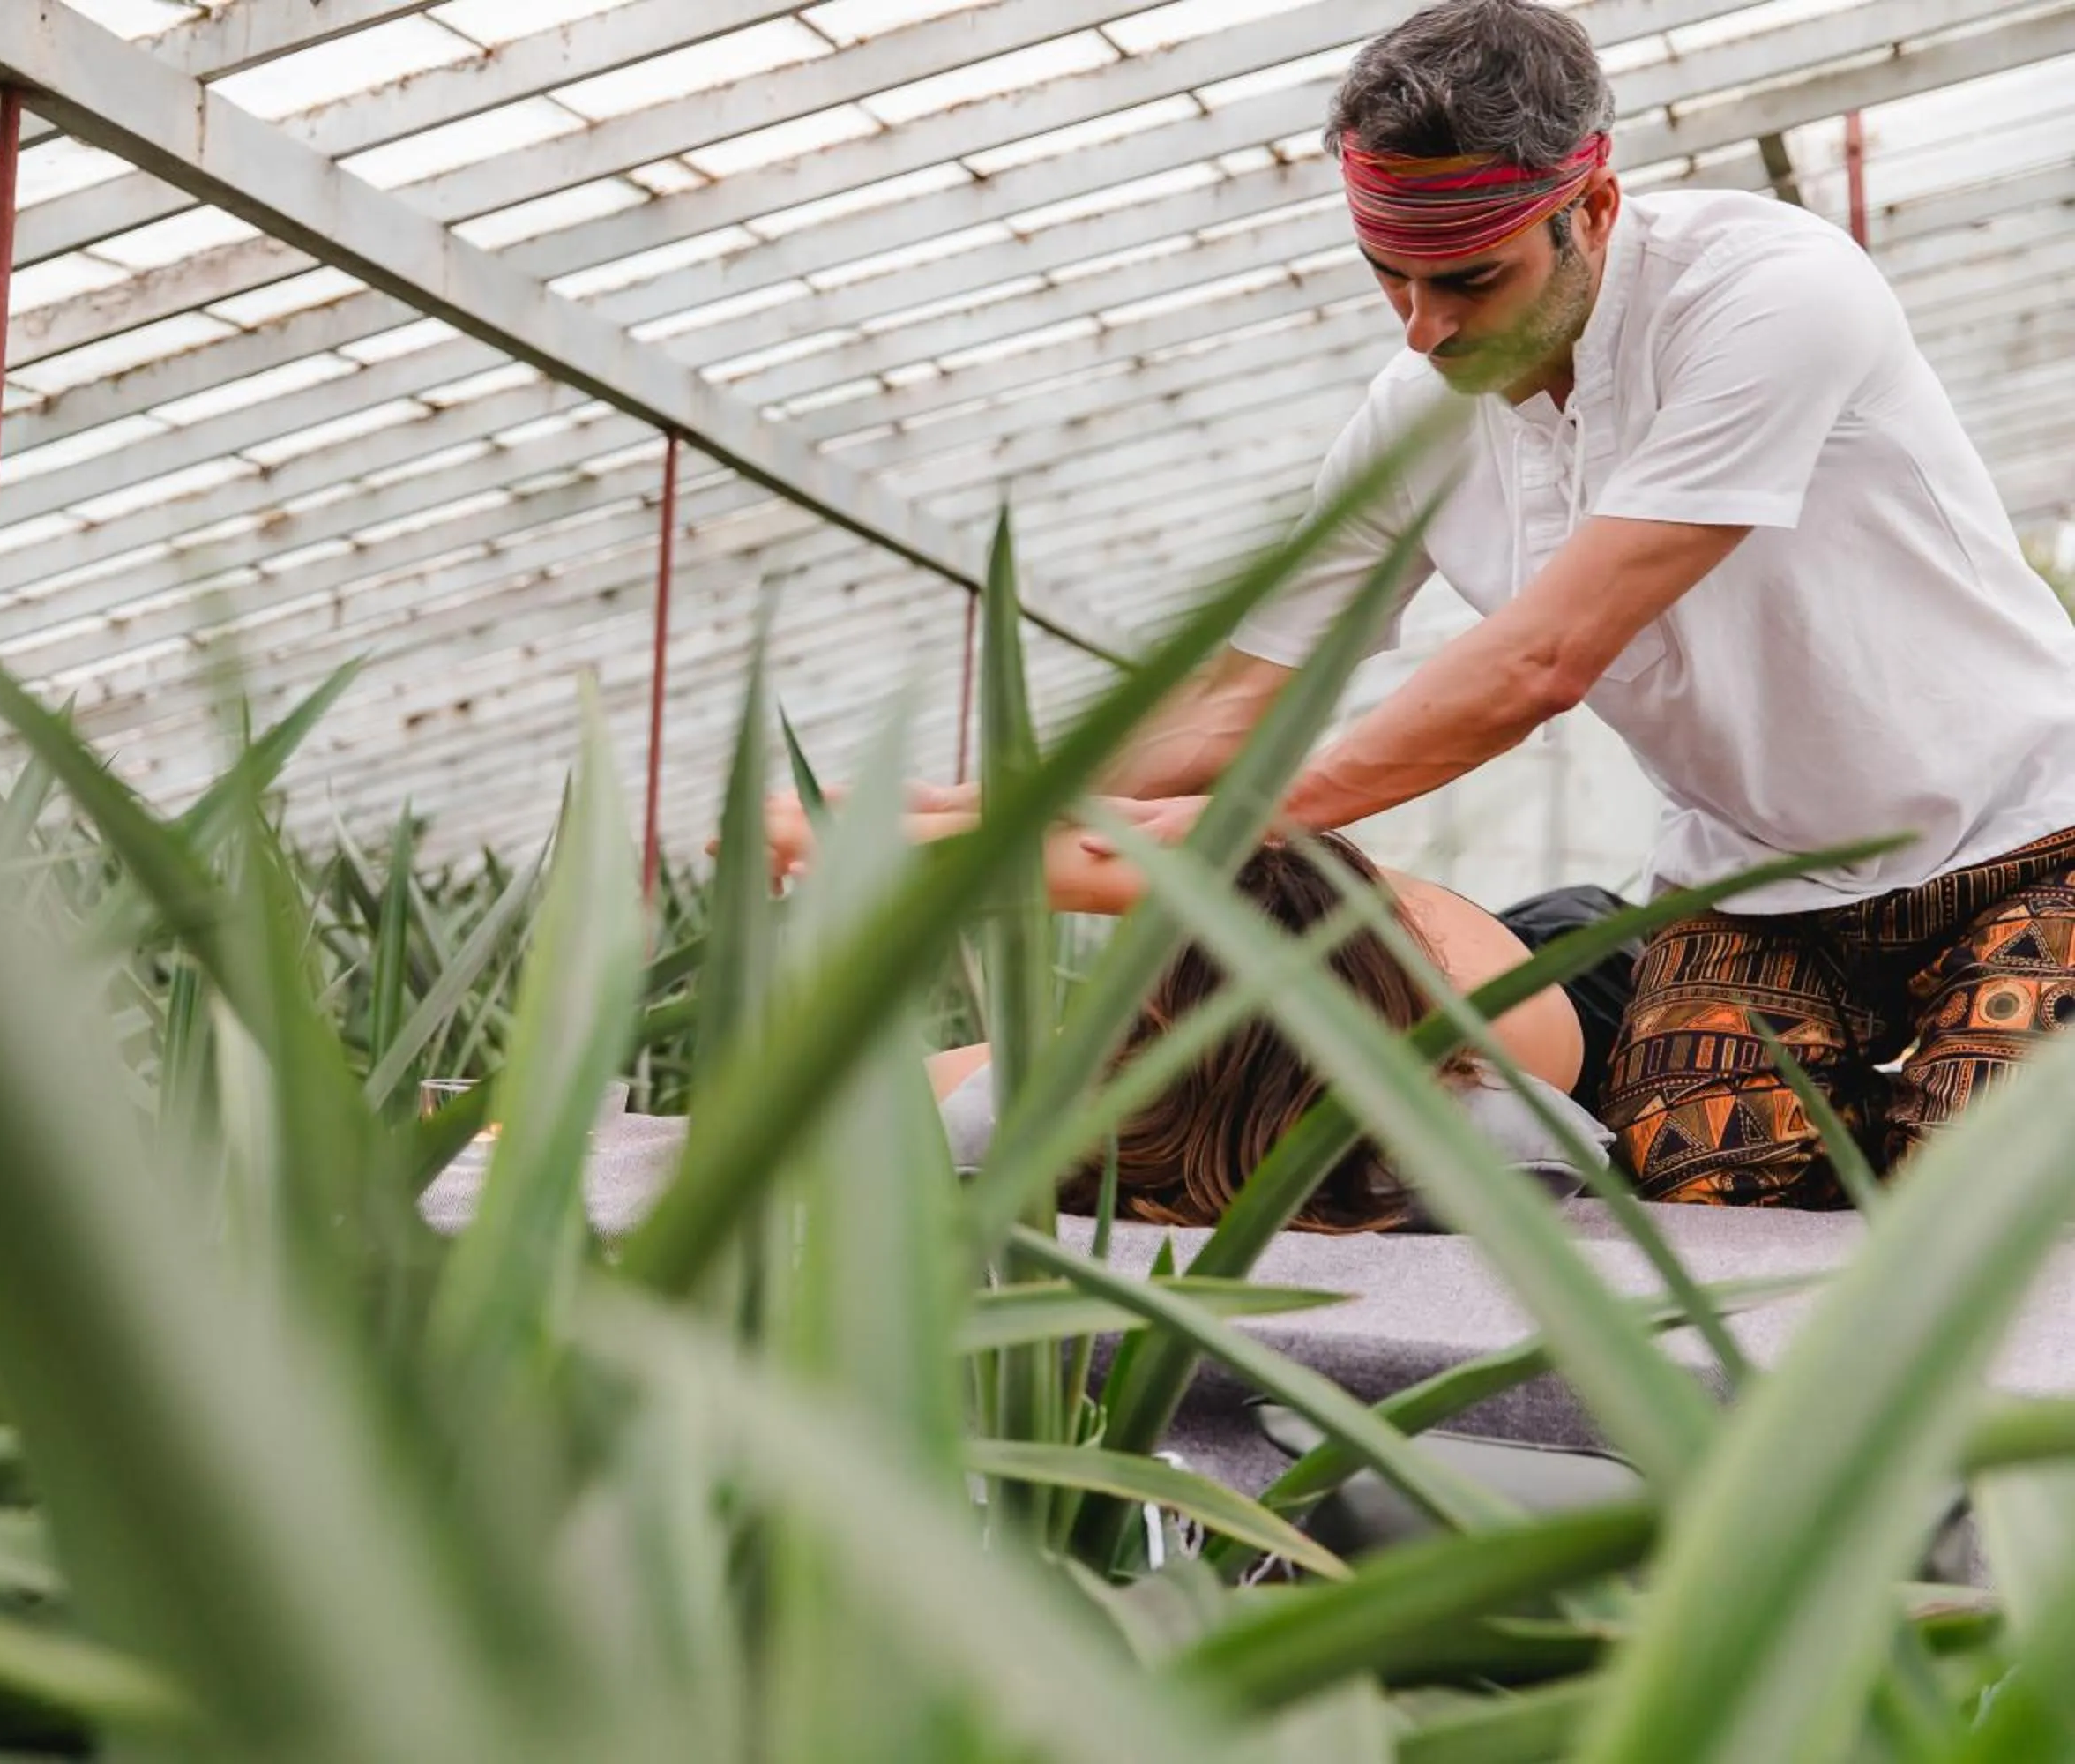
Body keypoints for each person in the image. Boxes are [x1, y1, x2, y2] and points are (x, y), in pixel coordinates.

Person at [937, 0, 2075, 1208]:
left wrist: (1253, 818)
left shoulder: (1772, 294)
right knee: (1709, 1184)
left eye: (1471, 279)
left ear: (1594, 208)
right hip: (1758, 883)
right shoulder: (1414, 414)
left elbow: (1545, 659)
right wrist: (964, 822)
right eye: (1389, 276)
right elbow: (1235, 702)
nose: (1425, 328)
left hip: (2028, 836)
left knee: (1988, 1198)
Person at [763, 801, 1638, 1230]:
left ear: (1154, 1005)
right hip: (1526, 968)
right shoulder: (1501, 1054)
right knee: (1251, 858)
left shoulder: (1071, 1094)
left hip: (1553, 953)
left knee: (1222, 852)